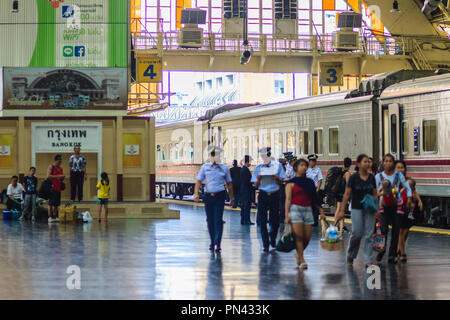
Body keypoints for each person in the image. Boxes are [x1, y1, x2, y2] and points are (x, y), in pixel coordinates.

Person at [335, 154, 378, 268]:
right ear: (358, 164)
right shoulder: (353, 178)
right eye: (365, 161)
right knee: (357, 233)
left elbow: (374, 193)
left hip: (369, 209)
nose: (368, 163)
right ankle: (351, 254)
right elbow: (347, 194)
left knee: (369, 234)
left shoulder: (372, 177)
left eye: (369, 161)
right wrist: (341, 210)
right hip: (356, 208)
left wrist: (377, 207)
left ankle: (368, 259)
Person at [285, 159, 325, 269]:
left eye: (305, 166)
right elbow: (288, 200)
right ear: (296, 168)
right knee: (299, 236)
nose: (304, 167)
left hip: (308, 210)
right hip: (295, 210)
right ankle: (302, 259)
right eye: (302, 165)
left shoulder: (310, 182)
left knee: (307, 237)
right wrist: (286, 215)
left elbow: (314, 198)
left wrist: (321, 210)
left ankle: (298, 253)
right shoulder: (290, 183)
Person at [194, 147, 234, 253]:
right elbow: (198, 181)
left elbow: (229, 184)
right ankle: (212, 241)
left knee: (218, 219)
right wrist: (196, 194)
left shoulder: (224, 168)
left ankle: (218, 242)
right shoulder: (205, 167)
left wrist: (231, 198)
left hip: (219, 195)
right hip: (208, 196)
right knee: (210, 220)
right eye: (213, 156)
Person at [375, 154, 412, 264]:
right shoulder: (378, 177)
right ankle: (382, 249)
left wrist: (409, 198)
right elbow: (375, 192)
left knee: (396, 231)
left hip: (397, 206)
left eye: (390, 161)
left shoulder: (398, 175)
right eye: (386, 161)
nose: (388, 163)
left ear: (393, 163)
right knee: (384, 230)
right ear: (383, 163)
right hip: (383, 207)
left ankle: (392, 255)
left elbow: (407, 187)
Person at [251, 147, 287, 252]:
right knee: (262, 220)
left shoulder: (278, 166)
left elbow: (283, 180)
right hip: (263, 194)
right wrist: (259, 178)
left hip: (274, 194)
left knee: (274, 220)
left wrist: (276, 178)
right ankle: (265, 243)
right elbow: (255, 185)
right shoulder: (258, 167)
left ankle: (272, 237)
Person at [394, 160, 423, 263]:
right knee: (401, 230)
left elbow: (414, 191)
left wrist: (419, 201)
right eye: (398, 167)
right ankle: (402, 252)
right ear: (394, 169)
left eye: (402, 167)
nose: (400, 169)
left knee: (406, 231)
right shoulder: (393, 181)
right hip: (398, 208)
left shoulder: (408, 180)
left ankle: (398, 249)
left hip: (408, 208)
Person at [333, 157, 352, 230]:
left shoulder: (341, 170)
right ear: (350, 165)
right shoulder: (347, 173)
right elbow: (348, 184)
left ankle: (342, 225)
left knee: (341, 209)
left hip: (339, 192)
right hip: (342, 193)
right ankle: (336, 224)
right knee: (339, 208)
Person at [47, 154, 65, 223]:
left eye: (61, 161)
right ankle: (50, 216)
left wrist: (62, 178)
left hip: (58, 188)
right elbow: (48, 176)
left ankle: (55, 216)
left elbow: (59, 178)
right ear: (56, 160)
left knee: (56, 204)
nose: (60, 162)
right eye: (59, 161)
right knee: (51, 203)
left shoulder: (61, 169)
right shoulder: (51, 167)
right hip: (52, 187)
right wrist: (58, 176)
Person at [306, 154, 323, 226]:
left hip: (314, 189)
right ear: (309, 162)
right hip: (307, 190)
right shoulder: (306, 169)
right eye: (312, 161)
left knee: (315, 205)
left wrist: (317, 190)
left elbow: (320, 180)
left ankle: (315, 221)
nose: (313, 163)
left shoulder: (318, 170)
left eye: (314, 161)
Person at [240, 155, 254, 225]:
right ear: (247, 162)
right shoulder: (245, 170)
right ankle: (246, 220)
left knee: (244, 205)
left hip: (243, 189)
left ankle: (243, 219)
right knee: (247, 205)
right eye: (250, 162)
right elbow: (248, 181)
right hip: (246, 190)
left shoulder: (243, 169)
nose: (250, 163)